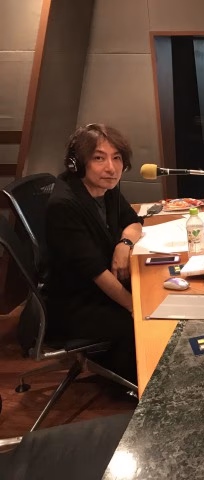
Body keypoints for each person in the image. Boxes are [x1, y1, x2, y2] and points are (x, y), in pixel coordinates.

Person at [44, 124, 143, 384]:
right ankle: (134, 384)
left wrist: (124, 244)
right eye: (99, 158)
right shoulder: (64, 205)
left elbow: (133, 222)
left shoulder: (105, 189)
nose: (111, 168)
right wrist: (134, 306)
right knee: (143, 319)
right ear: (77, 164)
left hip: (100, 287)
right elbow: (95, 272)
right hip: (76, 303)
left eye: (117, 158)